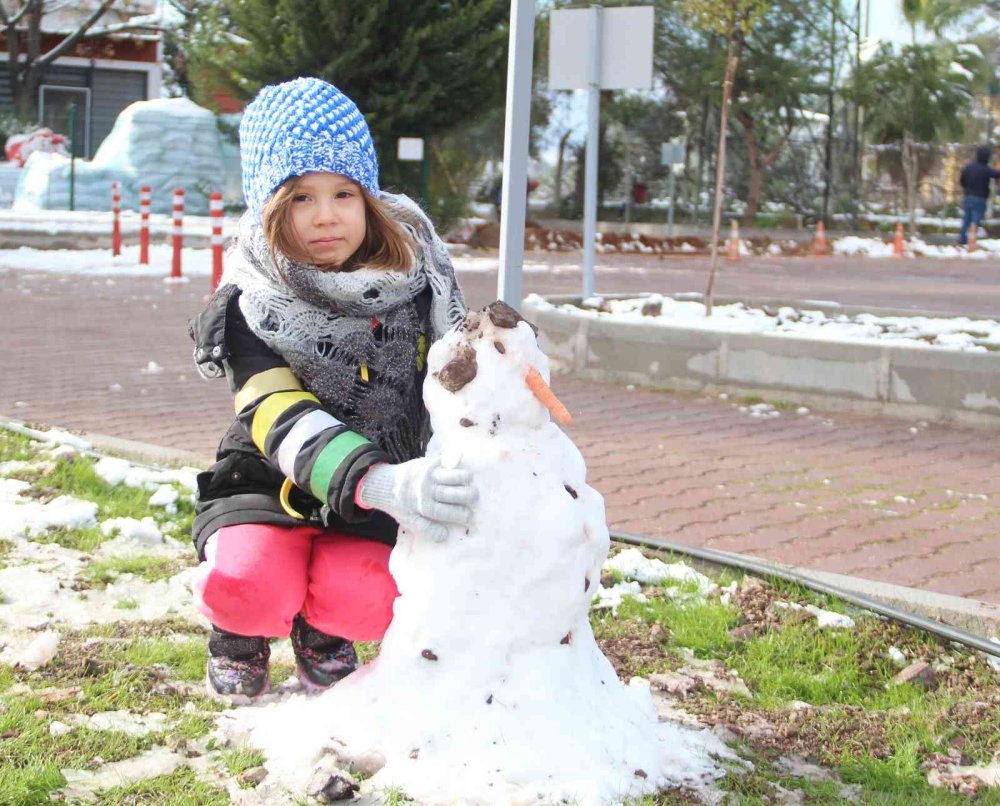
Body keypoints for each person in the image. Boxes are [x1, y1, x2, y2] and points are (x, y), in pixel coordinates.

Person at [187, 77, 476, 698]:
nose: (325, 215)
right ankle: (239, 629)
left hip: (378, 492)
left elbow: (455, 366)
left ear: (368, 198)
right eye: (299, 199)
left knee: (370, 597)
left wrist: (503, 359)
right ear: (268, 208)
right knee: (249, 581)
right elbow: (277, 412)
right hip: (269, 478)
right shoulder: (248, 303)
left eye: (344, 192)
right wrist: (380, 481)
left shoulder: (414, 276)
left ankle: (322, 630)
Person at [958, 144, 1000, 246]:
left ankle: (962, 240)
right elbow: (997, 174)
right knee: (976, 220)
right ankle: (972, 240)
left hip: (968, 196)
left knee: (966, 219)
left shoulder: (968, 167)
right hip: (980, 198)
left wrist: (966, 188)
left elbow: (962, 180)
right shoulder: (986, 169)